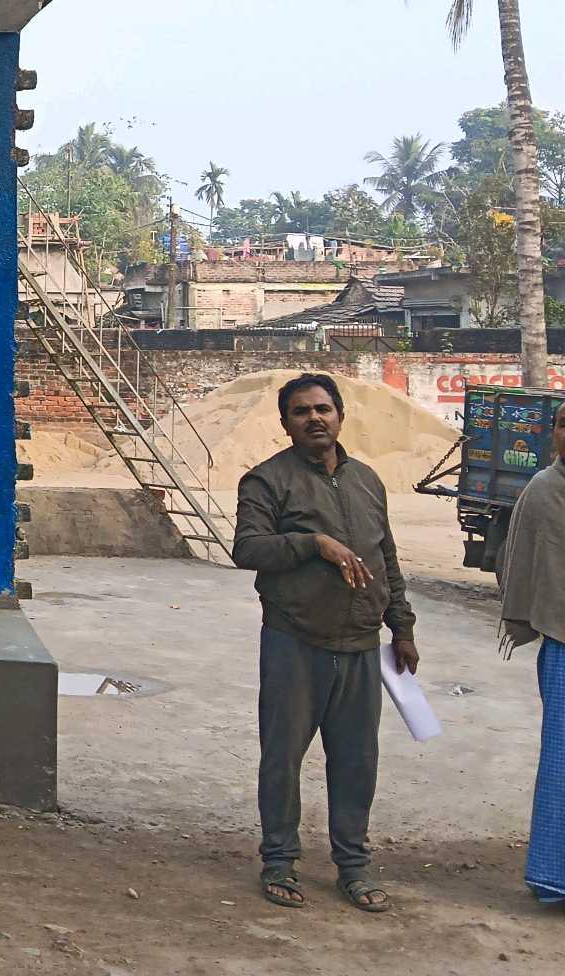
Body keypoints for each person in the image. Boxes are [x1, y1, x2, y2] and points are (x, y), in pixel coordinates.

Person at [233, 372, 418, 914]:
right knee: (283, 758)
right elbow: (247, 549)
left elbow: (386, 558)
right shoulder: (267, 482)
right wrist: (313, 543)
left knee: (357, 761)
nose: (314, 418)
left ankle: (353, 867)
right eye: (301, 411)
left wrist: (402, 627)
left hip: (360, 643)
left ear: (340, 415)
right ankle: (279, 861)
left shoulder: (367, 481)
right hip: (295, 640)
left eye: (323, 409)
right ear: (285, 423)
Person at [496, 400, 565, 905]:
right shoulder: (543, 490)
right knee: (562, 764)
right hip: (563, 643)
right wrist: (522, 616)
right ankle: (556, 877)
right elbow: (519, 558)